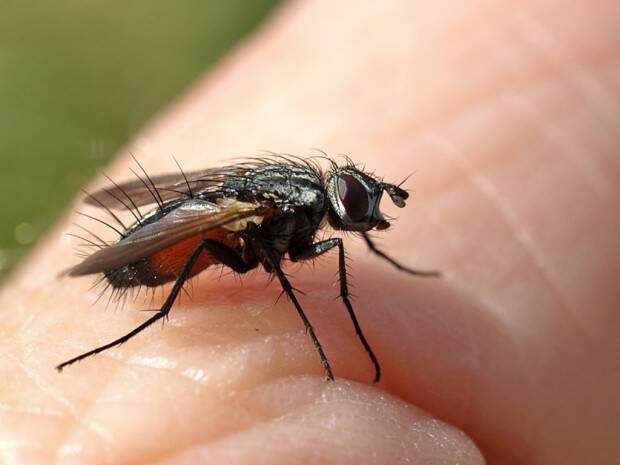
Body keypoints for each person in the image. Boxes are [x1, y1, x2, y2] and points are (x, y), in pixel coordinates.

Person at [1, 1, 618, 463]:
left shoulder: (301, 197)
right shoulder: (286, 213)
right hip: (162, 253)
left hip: (187, 226)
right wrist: (328, 337)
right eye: (358, 204)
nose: (364, 214)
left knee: (233, 244)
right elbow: (216, 216)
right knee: (215, 243)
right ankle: (153, 322)